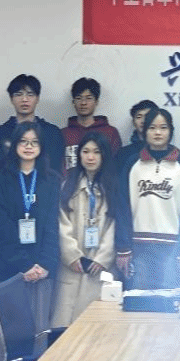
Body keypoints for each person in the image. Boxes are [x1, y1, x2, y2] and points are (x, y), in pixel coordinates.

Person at [0, 121, 60, 328]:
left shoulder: (52, 180)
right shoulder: (0, 179)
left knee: (40, 331)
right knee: (10, 332)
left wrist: (44, 264)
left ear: (41, 146)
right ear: (14, 145)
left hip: (42, 270)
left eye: (34, 142)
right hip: (8, 268)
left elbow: (54, 226)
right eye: (23, 141)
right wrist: (24, 265)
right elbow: (0, 226)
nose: (29, 146)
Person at [117, 108, 180, 289]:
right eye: (152, 128)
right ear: (144, 131)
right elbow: (122, 208)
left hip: (173, 249)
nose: (158, 132)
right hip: (138, 248)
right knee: (140, 300)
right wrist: (123, 248)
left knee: (168, 300)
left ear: (171, 131)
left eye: (163, 127)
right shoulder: (132, 163)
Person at [52, 131, 118, 327]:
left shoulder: (112, 186)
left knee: (95, 326)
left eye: (96, 152)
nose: (90, 157)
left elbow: (115, 225)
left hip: (100, 267)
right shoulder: (68, 185)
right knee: (64, 325)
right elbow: (61, 222)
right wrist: (72, 255)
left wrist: (103, 257)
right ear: (78, 155)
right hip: (71, 267)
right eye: (86, 151)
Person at [0, 74, 64, 177]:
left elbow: (56, 170)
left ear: (37, 98)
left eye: (30, 94)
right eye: (18, 94)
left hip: (45, 186)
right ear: (11, 99)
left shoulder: (53, 133)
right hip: (8, 186)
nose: (24, 99)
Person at [61, 77, 122, 171]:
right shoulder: (63, 134)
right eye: (78, 98)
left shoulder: (110, 132)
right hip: (70, 180)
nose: (83, 103)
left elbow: (116, 165)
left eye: (89, 98)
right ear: (73, 102)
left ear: (96, 102)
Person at [116, 99, 158, 170]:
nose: (143, 121)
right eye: (139, 117)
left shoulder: (168, 150)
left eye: (147, 116)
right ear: (133, 122)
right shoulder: (123, 153)